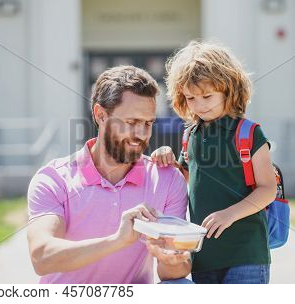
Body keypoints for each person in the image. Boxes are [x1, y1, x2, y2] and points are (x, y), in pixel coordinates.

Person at [27, 65, 192, 284]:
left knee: (181, 287)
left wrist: (171, 260)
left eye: (148, 123)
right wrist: (117, 241)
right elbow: (41, 257)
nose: (141, 134)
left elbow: (175, 271)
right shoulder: (54, 179)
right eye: (131, 122)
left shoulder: (167, 179)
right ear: (100, 115)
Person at [151, 41, 277, 284]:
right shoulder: (190, 135)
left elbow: (267, 189)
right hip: (203, 257)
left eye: (207, 96)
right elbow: (184, 179)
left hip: (247, 254)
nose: (199, 105)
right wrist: (166, 155)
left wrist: (230, 214)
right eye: (190, 98)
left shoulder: (248, 133)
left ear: (229, 90)